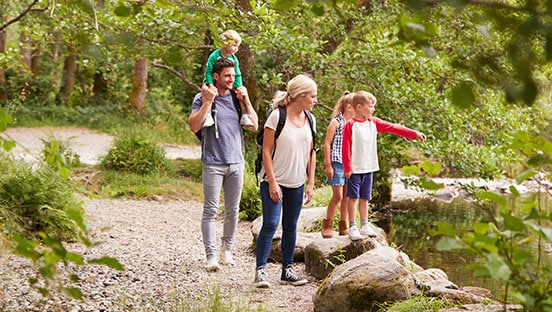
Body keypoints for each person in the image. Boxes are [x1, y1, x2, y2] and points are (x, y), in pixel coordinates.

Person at [188, 57, 259, 271]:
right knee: (210, 210)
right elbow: (193, 126)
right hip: (213, 162)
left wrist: (246, 101)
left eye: (233, 75)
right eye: (227, 76)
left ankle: (226, 249)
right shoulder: (202, 97)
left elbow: (254, 126)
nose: (231, 79)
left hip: (236, 162)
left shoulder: (238, 99)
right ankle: (210, 256)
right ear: (216, 76)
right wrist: (208, 101)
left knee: (233, 210)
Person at [253, 74, 318, 288]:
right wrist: (272, 182)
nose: (315, 100)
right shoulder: (277, 116)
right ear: (300, 96)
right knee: (271, 223)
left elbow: (312, 152)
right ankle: (261, 271)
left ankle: (287, 271)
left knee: (291, 226)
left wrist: (310, 183)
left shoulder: (310, 119)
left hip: (297, 182)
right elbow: (266, 150)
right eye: (312, 96)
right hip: (274, 180)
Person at [342, 91, 426, 241]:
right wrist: (347, 167)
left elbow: (393, 127)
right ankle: (353, 226)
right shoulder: (350, 125)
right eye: (371, 106)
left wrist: (413, 134)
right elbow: (345, 147)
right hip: (355, 169)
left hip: (369, 167)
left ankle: (364, 224)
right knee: (352, 197)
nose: (373, 109)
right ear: (359, 107)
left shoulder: (373, 123)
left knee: (365, 197)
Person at [321, 91, 355, 238]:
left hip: (350, 164)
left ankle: (343, 225)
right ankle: (327, 224)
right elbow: (327, 144)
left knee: (347, 196)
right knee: (338, 196)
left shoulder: (354, 123)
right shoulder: (336, 122)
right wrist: (328, 165)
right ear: (349, 106)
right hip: (337, 163)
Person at [203, 30, 253, 127]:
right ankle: (208, 114)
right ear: (225, 43)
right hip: (212, 80)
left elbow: (237, 74)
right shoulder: (214, 56)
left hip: (228, 81)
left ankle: (244, 114)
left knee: (241, 93)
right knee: (207, 91)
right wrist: (211, 85)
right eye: (234, 46)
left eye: (237, 46)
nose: (236, 49)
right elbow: (209, 71)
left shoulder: (233, 59)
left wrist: (239, 86)